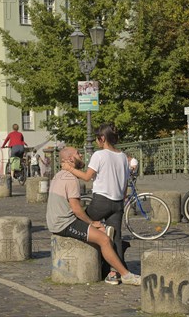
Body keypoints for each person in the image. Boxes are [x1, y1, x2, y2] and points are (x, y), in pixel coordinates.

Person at [47, 146, 141, 286]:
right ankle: (126, 275)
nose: (81, 155)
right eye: (78, 153)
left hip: (58, 220)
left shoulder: (59, 175)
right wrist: (91, 223)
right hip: (64, 223)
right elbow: (76, 209)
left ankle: (109, 270)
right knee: (103, 239)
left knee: (103, 231)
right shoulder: (71, 178)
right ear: (70, 159)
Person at [62, 122, 130, 285]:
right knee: (116, 237)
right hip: (118, 202)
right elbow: (126, 182)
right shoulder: (122, 156)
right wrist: (121, 198)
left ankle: (89, 262)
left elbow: (87, 177)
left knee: (81, 223)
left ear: (102, 139)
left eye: (97, 139)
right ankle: (115, 273)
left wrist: (69, 169)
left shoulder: (99, 155)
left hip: (101, 201)